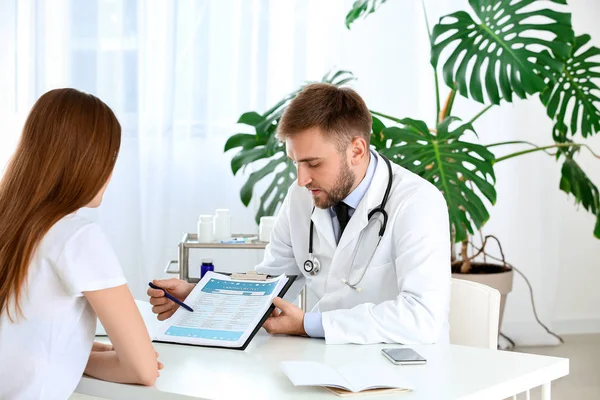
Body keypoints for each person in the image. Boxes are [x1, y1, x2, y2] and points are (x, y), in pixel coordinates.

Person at [148, 83, 450, 345]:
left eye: (314, 163)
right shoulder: (302, 197)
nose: (301, 179)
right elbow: (270, 283)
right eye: (295, 163)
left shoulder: (417, 203)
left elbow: (423, 317)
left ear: (357, 150)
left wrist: (309, 325)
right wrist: (199, 295)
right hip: (327, 362)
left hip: (403, 368)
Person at [0, 88, 162, 399]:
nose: (111, 174)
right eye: (110, 158)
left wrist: (75, 352)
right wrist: (85, 359)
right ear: (86, 161)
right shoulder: (77, 236)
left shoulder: (11, 223)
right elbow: (143, 370)